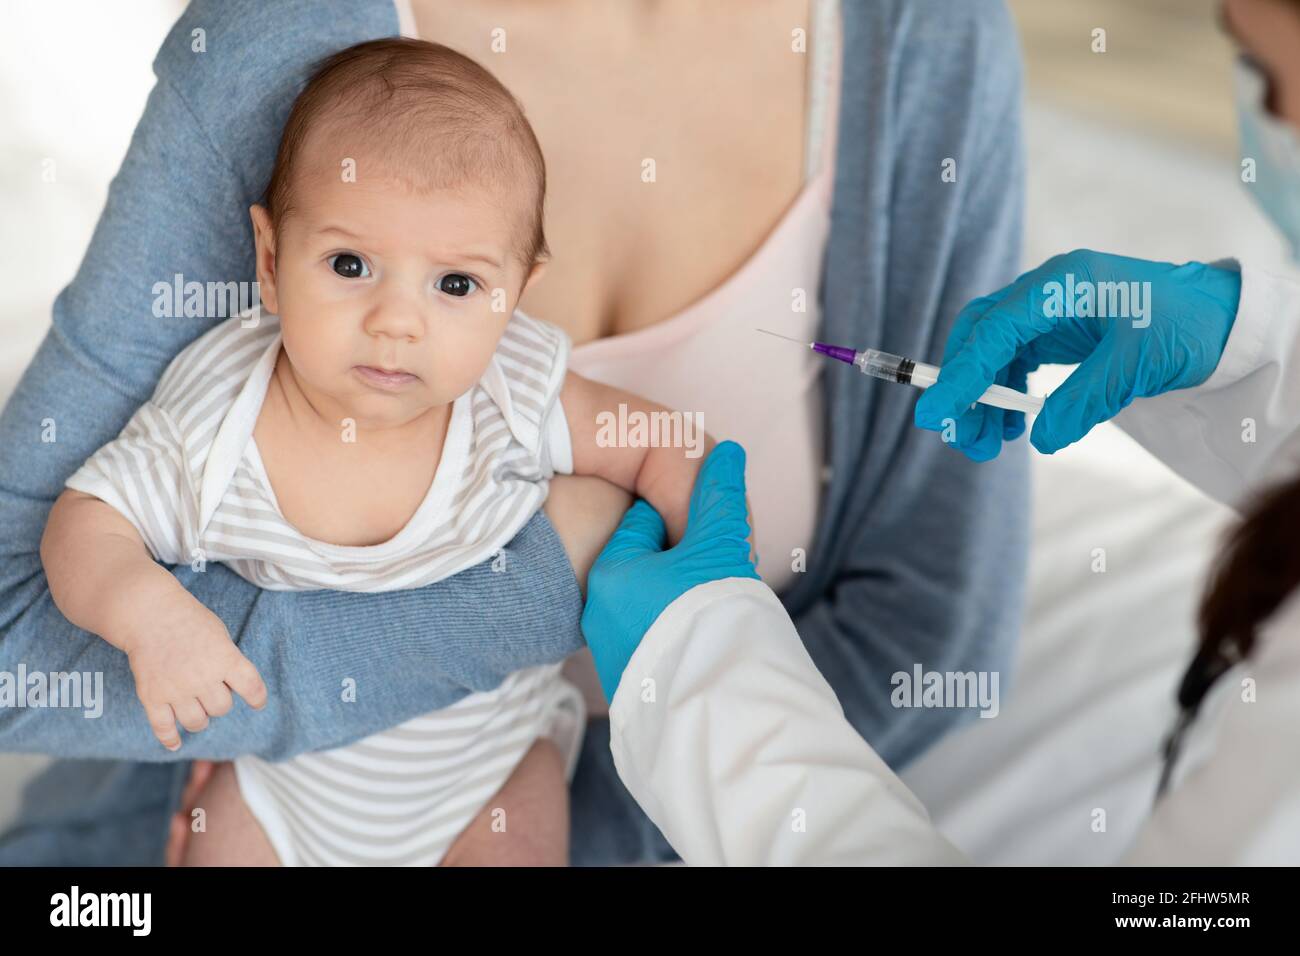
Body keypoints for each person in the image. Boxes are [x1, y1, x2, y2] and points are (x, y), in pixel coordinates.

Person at [0, 0, 1028, 866]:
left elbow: (925, 627)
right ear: (269, 260)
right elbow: (21, 632)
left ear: (518, 293)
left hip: (513, 780)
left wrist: (706, 553)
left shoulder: (922, 39)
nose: (399, 322)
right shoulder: (222, 387)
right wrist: (557, 573)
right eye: (349, 265)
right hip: (241, 808)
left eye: (457, 284)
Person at [575, 0, 1300, 866]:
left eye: (1270, 75)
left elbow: (930, 618)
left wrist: (695, 685)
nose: (1265, 122)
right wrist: (1258, 346)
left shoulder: (920, 33)